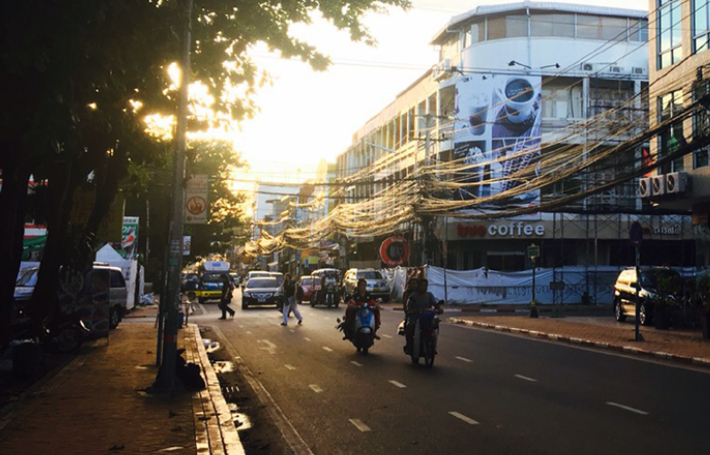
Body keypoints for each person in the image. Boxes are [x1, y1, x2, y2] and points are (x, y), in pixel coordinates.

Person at [404, 278, 440, 354]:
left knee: (435, 325)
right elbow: (408, 308)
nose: (423, 287)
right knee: (409, 327)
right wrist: (415, 310)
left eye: (425, 286)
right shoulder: (413, 296)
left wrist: (439, 309)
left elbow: (435, 304)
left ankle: (433, 345)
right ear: (418, 286)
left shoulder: (429, 295)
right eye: (422, 285)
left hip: (427, 317)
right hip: (415, 317)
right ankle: (409, 345)